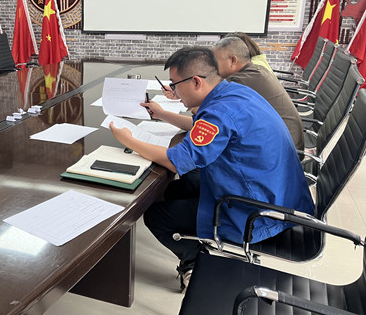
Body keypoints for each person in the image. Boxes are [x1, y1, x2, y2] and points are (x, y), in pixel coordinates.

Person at [109, 47, 314, 291]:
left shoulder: (219, 111)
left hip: (255, 213)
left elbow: (177, 161)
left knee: (156, 216)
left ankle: (195, 264)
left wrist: (128, 140)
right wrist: (163, 114)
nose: (173, 91)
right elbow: (202, 127)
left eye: (174, 84)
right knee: (173, 190)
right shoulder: (232, 93)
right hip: (277, 194)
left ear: (196, 81)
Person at [213, 36, 304, 152]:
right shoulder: (257, 70)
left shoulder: (239, 81)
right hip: (287, 144)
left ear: (232, 60)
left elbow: (209, 111)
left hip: (283, 151)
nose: (212, 66)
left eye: (215, 61)